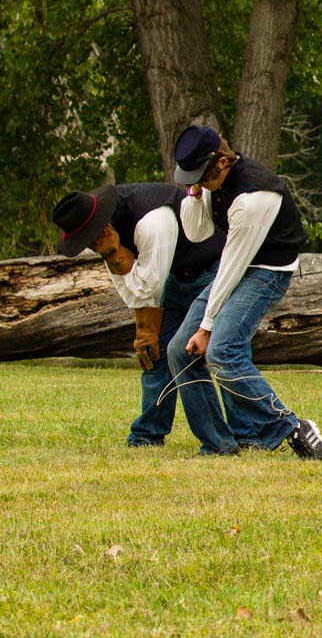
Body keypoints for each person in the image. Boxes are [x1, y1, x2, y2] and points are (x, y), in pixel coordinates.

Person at [167, 124, 322, 461]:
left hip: (266, 272)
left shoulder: (253, 196)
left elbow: (232, 264)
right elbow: (197, 232)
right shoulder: (212, 186)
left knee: (222, 350)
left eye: (201, 177)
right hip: (238, 267)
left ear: (223, 162)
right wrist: (196, 195)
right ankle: (220, 443)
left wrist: (206, 327)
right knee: (178, 352)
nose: (197, 183)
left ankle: (293, 428)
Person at [49, 182, 230, 449]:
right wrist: (114, 257)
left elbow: (149, 286)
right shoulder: (106, 232)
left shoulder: (151, 221)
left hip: (212, 273)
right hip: (178, 277)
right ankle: (148, 435)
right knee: (154, 356)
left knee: (188, 354)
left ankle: (223, 440)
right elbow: (129, 285)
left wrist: (115, 255)